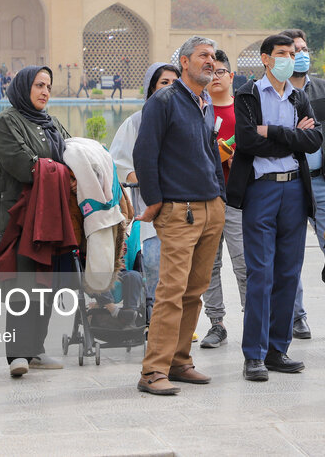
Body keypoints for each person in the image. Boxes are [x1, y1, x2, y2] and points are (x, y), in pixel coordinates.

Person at [133, 36, 226, 395]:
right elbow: (144, 154)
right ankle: (153, 371)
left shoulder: (205, 103)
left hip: (210, 208)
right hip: (179, 212)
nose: (211, 61)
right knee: (171, 291)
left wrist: (220, 195)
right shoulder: (164, 101)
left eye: (214, 57)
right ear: (184, 62)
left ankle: (180, 361)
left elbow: (210, 154)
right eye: (203, 55)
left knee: (194, 291)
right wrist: (154, 202)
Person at [228, 34, 322, 381]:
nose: (289, 58)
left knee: (287, 273)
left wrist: (274, 132)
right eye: (282, 53)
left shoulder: (299, 96)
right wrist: (290, 136)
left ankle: (277, 349)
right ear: (265, 59)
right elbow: (248, 140)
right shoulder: (248, 94)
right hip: (261, 193)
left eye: (293, 52)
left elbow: (314, 140)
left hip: (295, 191)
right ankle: (253, 354)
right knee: (261, 274)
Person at [0, 65, 71, 378]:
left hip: (50, 214)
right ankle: (17, 354)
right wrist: (63, 169)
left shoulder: (51, 123)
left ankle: (35, 349)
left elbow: (73, 152)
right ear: (24, 87)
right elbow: (26, 166)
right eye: (38, 85)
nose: (44, 92)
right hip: (18, 216)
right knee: (22, 281)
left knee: (45, 281)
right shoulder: (6, 122)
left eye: (48, 86)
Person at [283, 29, 325, 340]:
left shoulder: (323, 89)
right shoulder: (274, 93)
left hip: (322, 183)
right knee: (289, 253)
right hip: (290, 185)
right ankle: (296, 317)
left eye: (305, 48)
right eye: (295, 49)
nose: (302, 53)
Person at [110, 62, 180, 320]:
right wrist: (150, 181)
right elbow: (120, 163)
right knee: (152, 262)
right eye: (164, 83)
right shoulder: (137, 122)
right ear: (152, 88)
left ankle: (176, 322)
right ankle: (153, 317)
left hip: (182, 207)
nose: (170, 89)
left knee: (180, 267)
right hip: (149, 206)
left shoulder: (187, 119)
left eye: (175, 83)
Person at [199, 50, 248, 348]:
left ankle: (252, 318)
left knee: (244, 263)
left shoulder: (243, 112)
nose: (215, 78)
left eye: (221, 72)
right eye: (210, 72)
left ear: (231, 77)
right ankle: (216, 324)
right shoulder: (199, 110)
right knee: (209, 265)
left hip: (238, 199)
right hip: (207, 198)